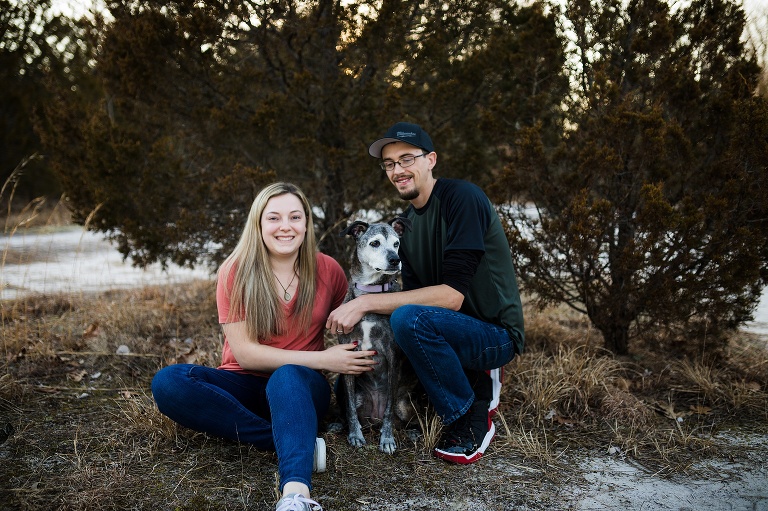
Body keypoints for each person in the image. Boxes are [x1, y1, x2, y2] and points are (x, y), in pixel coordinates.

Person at [152, 182, 376, 511]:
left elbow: (359, 318)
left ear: (306, 224)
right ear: (258, 223)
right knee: (168, 383)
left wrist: (358, 316)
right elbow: (245, 354)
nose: (285, 226)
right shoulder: (237, 270)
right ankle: (291, 441)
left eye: (295, 217)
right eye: (274, 218)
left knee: (286, 375)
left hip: (301, 386)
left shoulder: (327, 269)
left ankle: (295, 495)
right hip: (245, 383)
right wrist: (324, 358)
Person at [327, 122, 525, 464]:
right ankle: (452, 385)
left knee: (407, 317)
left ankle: (470, 414)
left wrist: (365, 302)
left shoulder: (462, 198)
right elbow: (415, 296)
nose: (397, 170)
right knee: (404, 323)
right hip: (449, 328)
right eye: (389, 164)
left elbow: (451, 298)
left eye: (406, 159)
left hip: (495, 334)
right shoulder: (404, 227)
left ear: (430, 159)